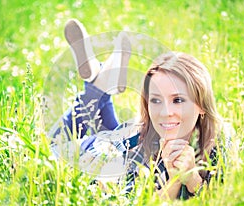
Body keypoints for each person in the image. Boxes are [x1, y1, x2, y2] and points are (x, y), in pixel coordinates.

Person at [50, 19, 228, 200]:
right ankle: (99, 85)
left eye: (178, 100)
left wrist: (192, 178)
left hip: (115, 139)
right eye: (156, 100)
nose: (165, 112)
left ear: (202, 106)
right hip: (92, 152)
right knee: (50, 146)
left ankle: (100, 82)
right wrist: (175, 179)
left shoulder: (218, 142)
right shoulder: (141, 148)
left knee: (112, 127)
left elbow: (222, 199)